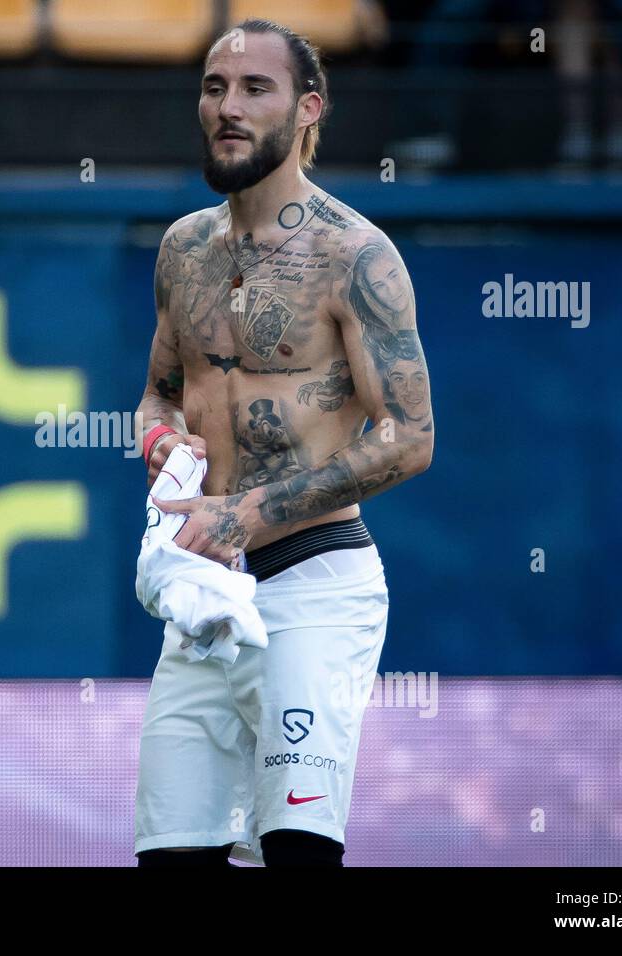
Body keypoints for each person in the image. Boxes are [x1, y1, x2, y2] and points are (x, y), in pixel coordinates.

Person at [133, 19, 434, 867]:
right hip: (205, 594)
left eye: (254, 89)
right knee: (173, 857)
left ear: (309, 109)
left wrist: (249, 510)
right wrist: (160, 439)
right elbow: (160, 388)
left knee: (297, 852)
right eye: (214, 87)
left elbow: (410, 437)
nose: (227, 107)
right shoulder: (184, 248)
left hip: (313, 581)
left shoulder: (355, 254)